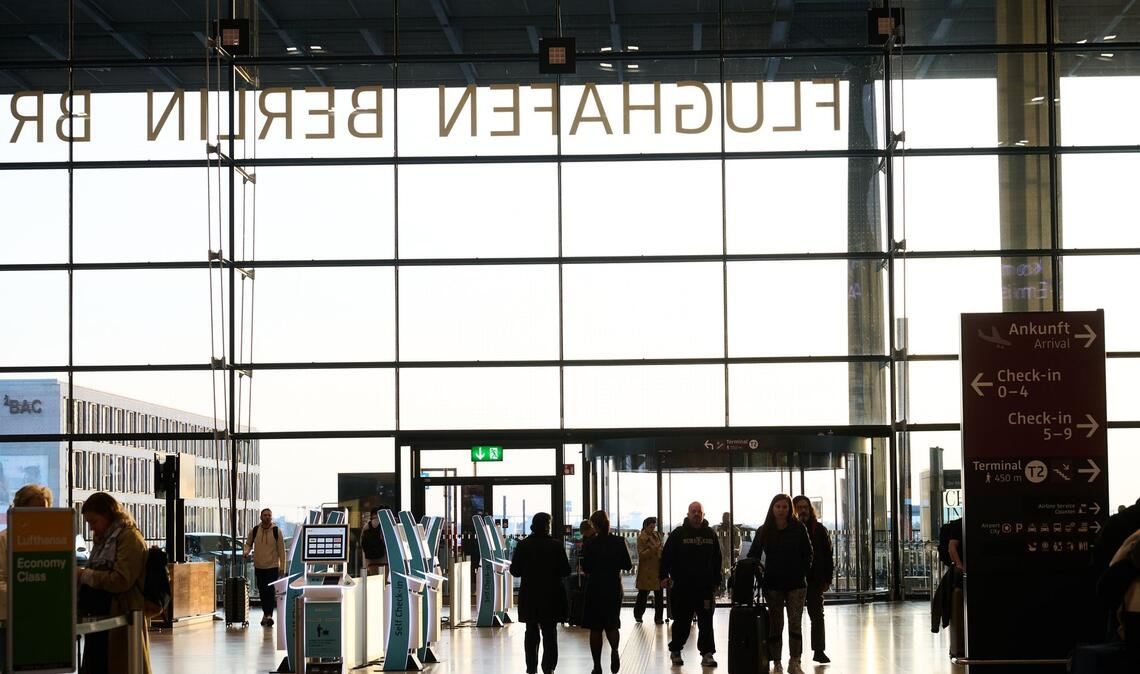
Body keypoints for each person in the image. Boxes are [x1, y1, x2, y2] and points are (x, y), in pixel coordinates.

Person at [78, 491, 152, 674]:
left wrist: (86, 575)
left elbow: (121, 580)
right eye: (89, 523)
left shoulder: (130, 538)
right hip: (100, 620)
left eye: (94, 522)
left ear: (108, 515)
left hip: (121, 616)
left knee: (120, 664)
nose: (92, 528)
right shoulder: (103, 541)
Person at [748, 494, 812, 674]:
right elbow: (753, 555)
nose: (782, 510)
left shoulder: (798, 528)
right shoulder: (764, 530)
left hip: (796, 583)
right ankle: (776, 662)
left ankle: (795, 660)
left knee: (795, 623)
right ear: (772, 508)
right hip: (773, 583)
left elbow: (808, 553)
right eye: (778, 507)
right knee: (776, 624)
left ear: (789, 509)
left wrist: (802, 572)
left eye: (785, 507)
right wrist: (760, 578)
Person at [660, 501, 721, 668]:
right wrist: (663, 576)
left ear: (703, 515)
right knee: (682, 621)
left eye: (699, 512)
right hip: (683, 587)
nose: (696, 514)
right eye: (693, 511)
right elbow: (666, 556)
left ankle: (707, 654)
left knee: (706, 622)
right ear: (688, 514)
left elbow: (717, 559)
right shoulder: (678, 534)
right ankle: (676, 651)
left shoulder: (710, 535)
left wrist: (717, 581)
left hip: (705, 588)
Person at [510, 513, 571, 674]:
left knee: (531, 631)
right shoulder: (556, 545)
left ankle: (531, 667)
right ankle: (549, 667)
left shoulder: (523, 545)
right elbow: (566, 570)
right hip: (551, 595)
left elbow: (514, 571)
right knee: (550, 632)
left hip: (530, 595)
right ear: (547, 526)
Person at [581, 510, 632, 674]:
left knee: (595, 628)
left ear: (594, 525)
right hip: (613, 586)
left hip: (595, 587)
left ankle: (597, 666)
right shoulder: (619, 541)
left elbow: (586, 567)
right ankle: (615, 651)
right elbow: (628, 565)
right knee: (612, 624)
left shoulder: (589, 543)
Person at [0, 484, 53, 613]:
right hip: (10, 616)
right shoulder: (4, 539)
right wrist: (28, 599)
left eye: (43, 512)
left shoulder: (52, 541)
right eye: (34, 512)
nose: (39, 517)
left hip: (43, 613)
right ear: (19, 510)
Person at [793, 496, 834, 664]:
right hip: (794, 579)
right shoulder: (791, 530)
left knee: (817, 616)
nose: (803, 510)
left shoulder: (819, 530)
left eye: (805, 507)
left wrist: (827, 579)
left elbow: (828, 556)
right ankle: (796, 655)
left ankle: (819, 650)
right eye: (799, 507)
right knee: (794, 618)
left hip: (814, 580)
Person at [245, 507, 286, 626]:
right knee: (262, 592)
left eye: (269, 515)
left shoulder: (276, 531)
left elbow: (282, 551)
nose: (267, 517)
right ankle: (266, 614)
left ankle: (268, 615)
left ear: (271, 517)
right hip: (259, 566)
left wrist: (282, 567)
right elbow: (248, 544)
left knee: (270, 592)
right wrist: (246, 552)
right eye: (265, 515)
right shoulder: (255, 530)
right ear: (261, 517)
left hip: (272, 567)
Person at [634, 516, 664, 624]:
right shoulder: (641, 538)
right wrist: (652, 549)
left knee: (659, 595)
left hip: (657, 569)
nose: (653, 529)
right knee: (643, 595)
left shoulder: (657, 535)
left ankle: (658, 618)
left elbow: (661, 548)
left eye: (654, 527)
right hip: (646, 571)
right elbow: (641, 555)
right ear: (645, 526)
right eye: (651, 527)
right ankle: (638, 615)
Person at [715, 511, 741, 595]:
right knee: (721, 574)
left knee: (731, 575)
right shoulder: (718, 529)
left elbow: (738, 543)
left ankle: (732, 593)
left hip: (731, 557)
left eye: (727, 517)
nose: (725, 519)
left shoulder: (735, 530)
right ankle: (721, 591)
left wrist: (737, 550)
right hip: (721, 556)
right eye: (724, 517)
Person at [359, 508, 387, 575]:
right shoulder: (385, 524)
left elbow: (362, 543)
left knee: (374, 581)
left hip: (371, 561)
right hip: (384, 560)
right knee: (384, 583)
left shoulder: (366, 526)